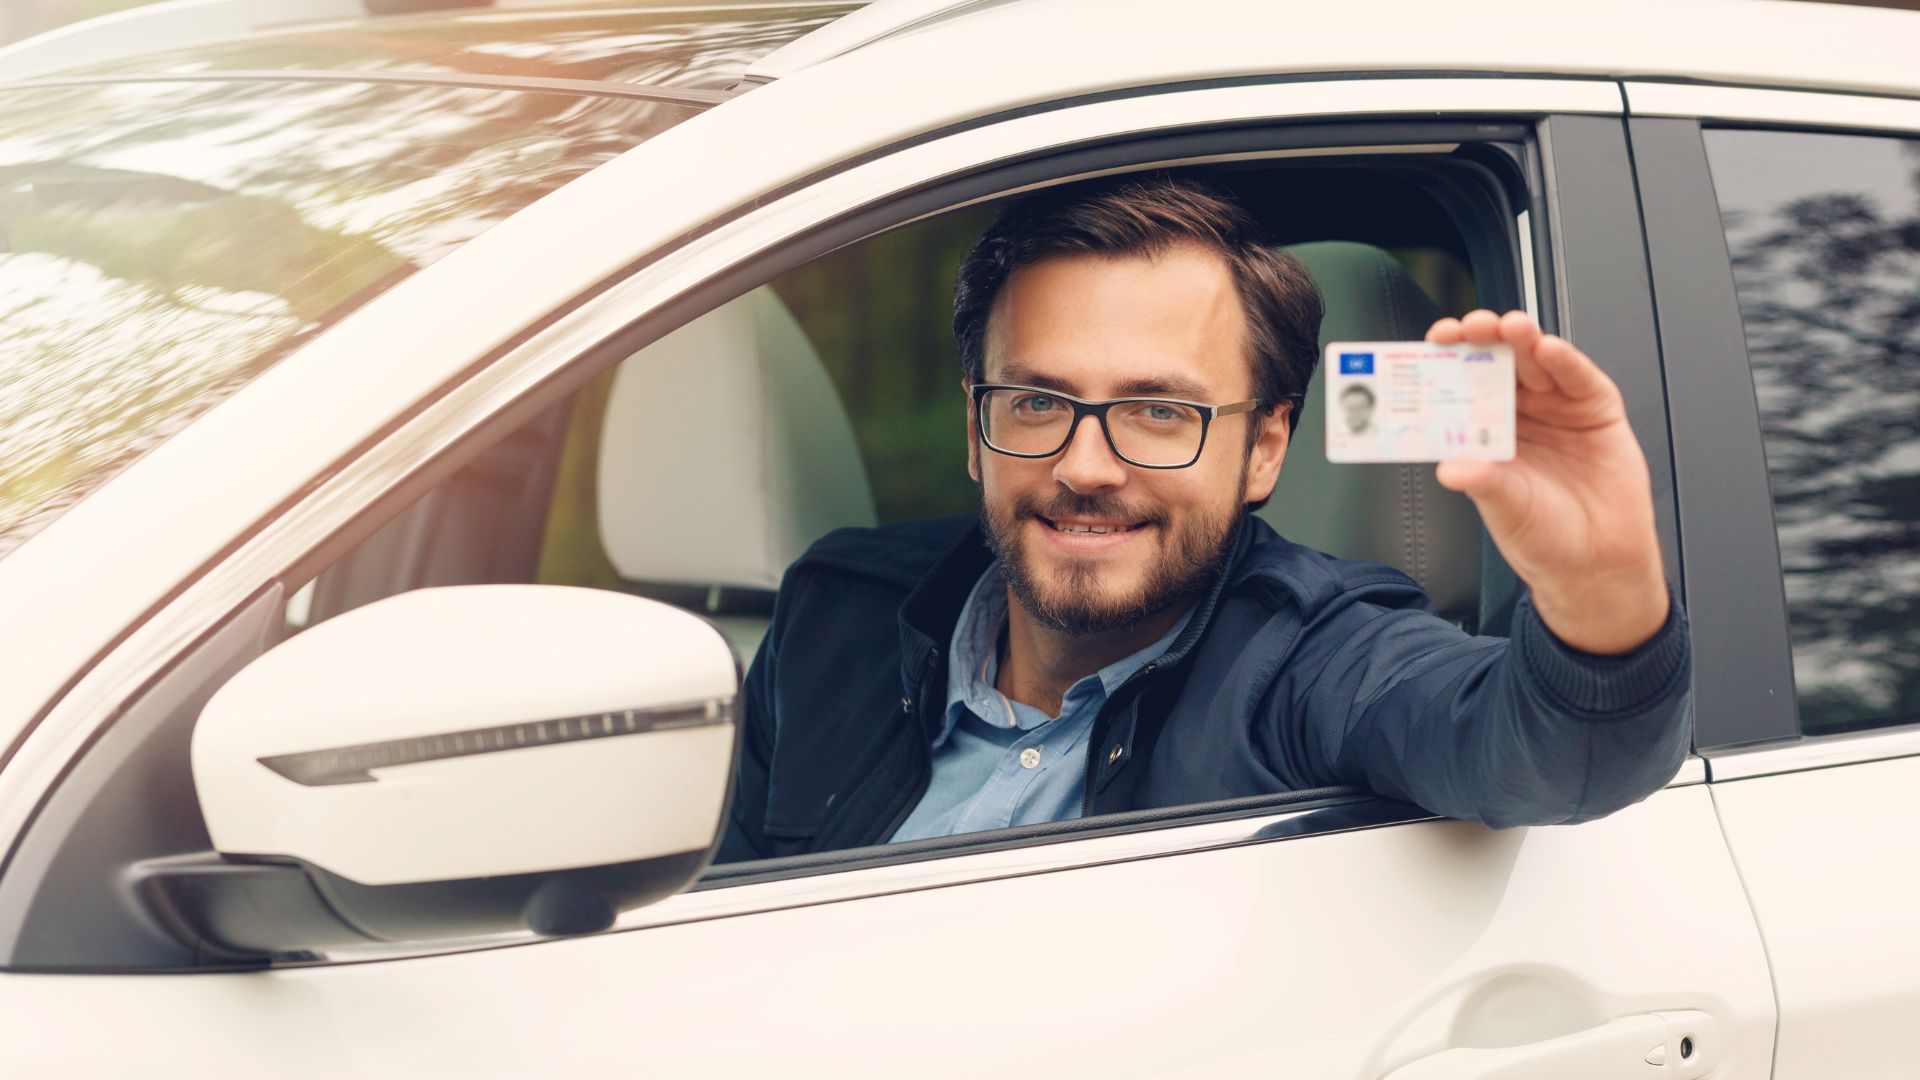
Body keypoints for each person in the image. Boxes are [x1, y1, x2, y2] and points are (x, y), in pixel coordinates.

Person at [716, 174, 1688, 861]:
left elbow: (1553, 758)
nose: (1084, 468)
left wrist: (1600, 590)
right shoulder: (832, 613)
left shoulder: (1317, 658)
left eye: (1159, 412)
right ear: (977, 424)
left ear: (1266, 446)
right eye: (1038, 403)